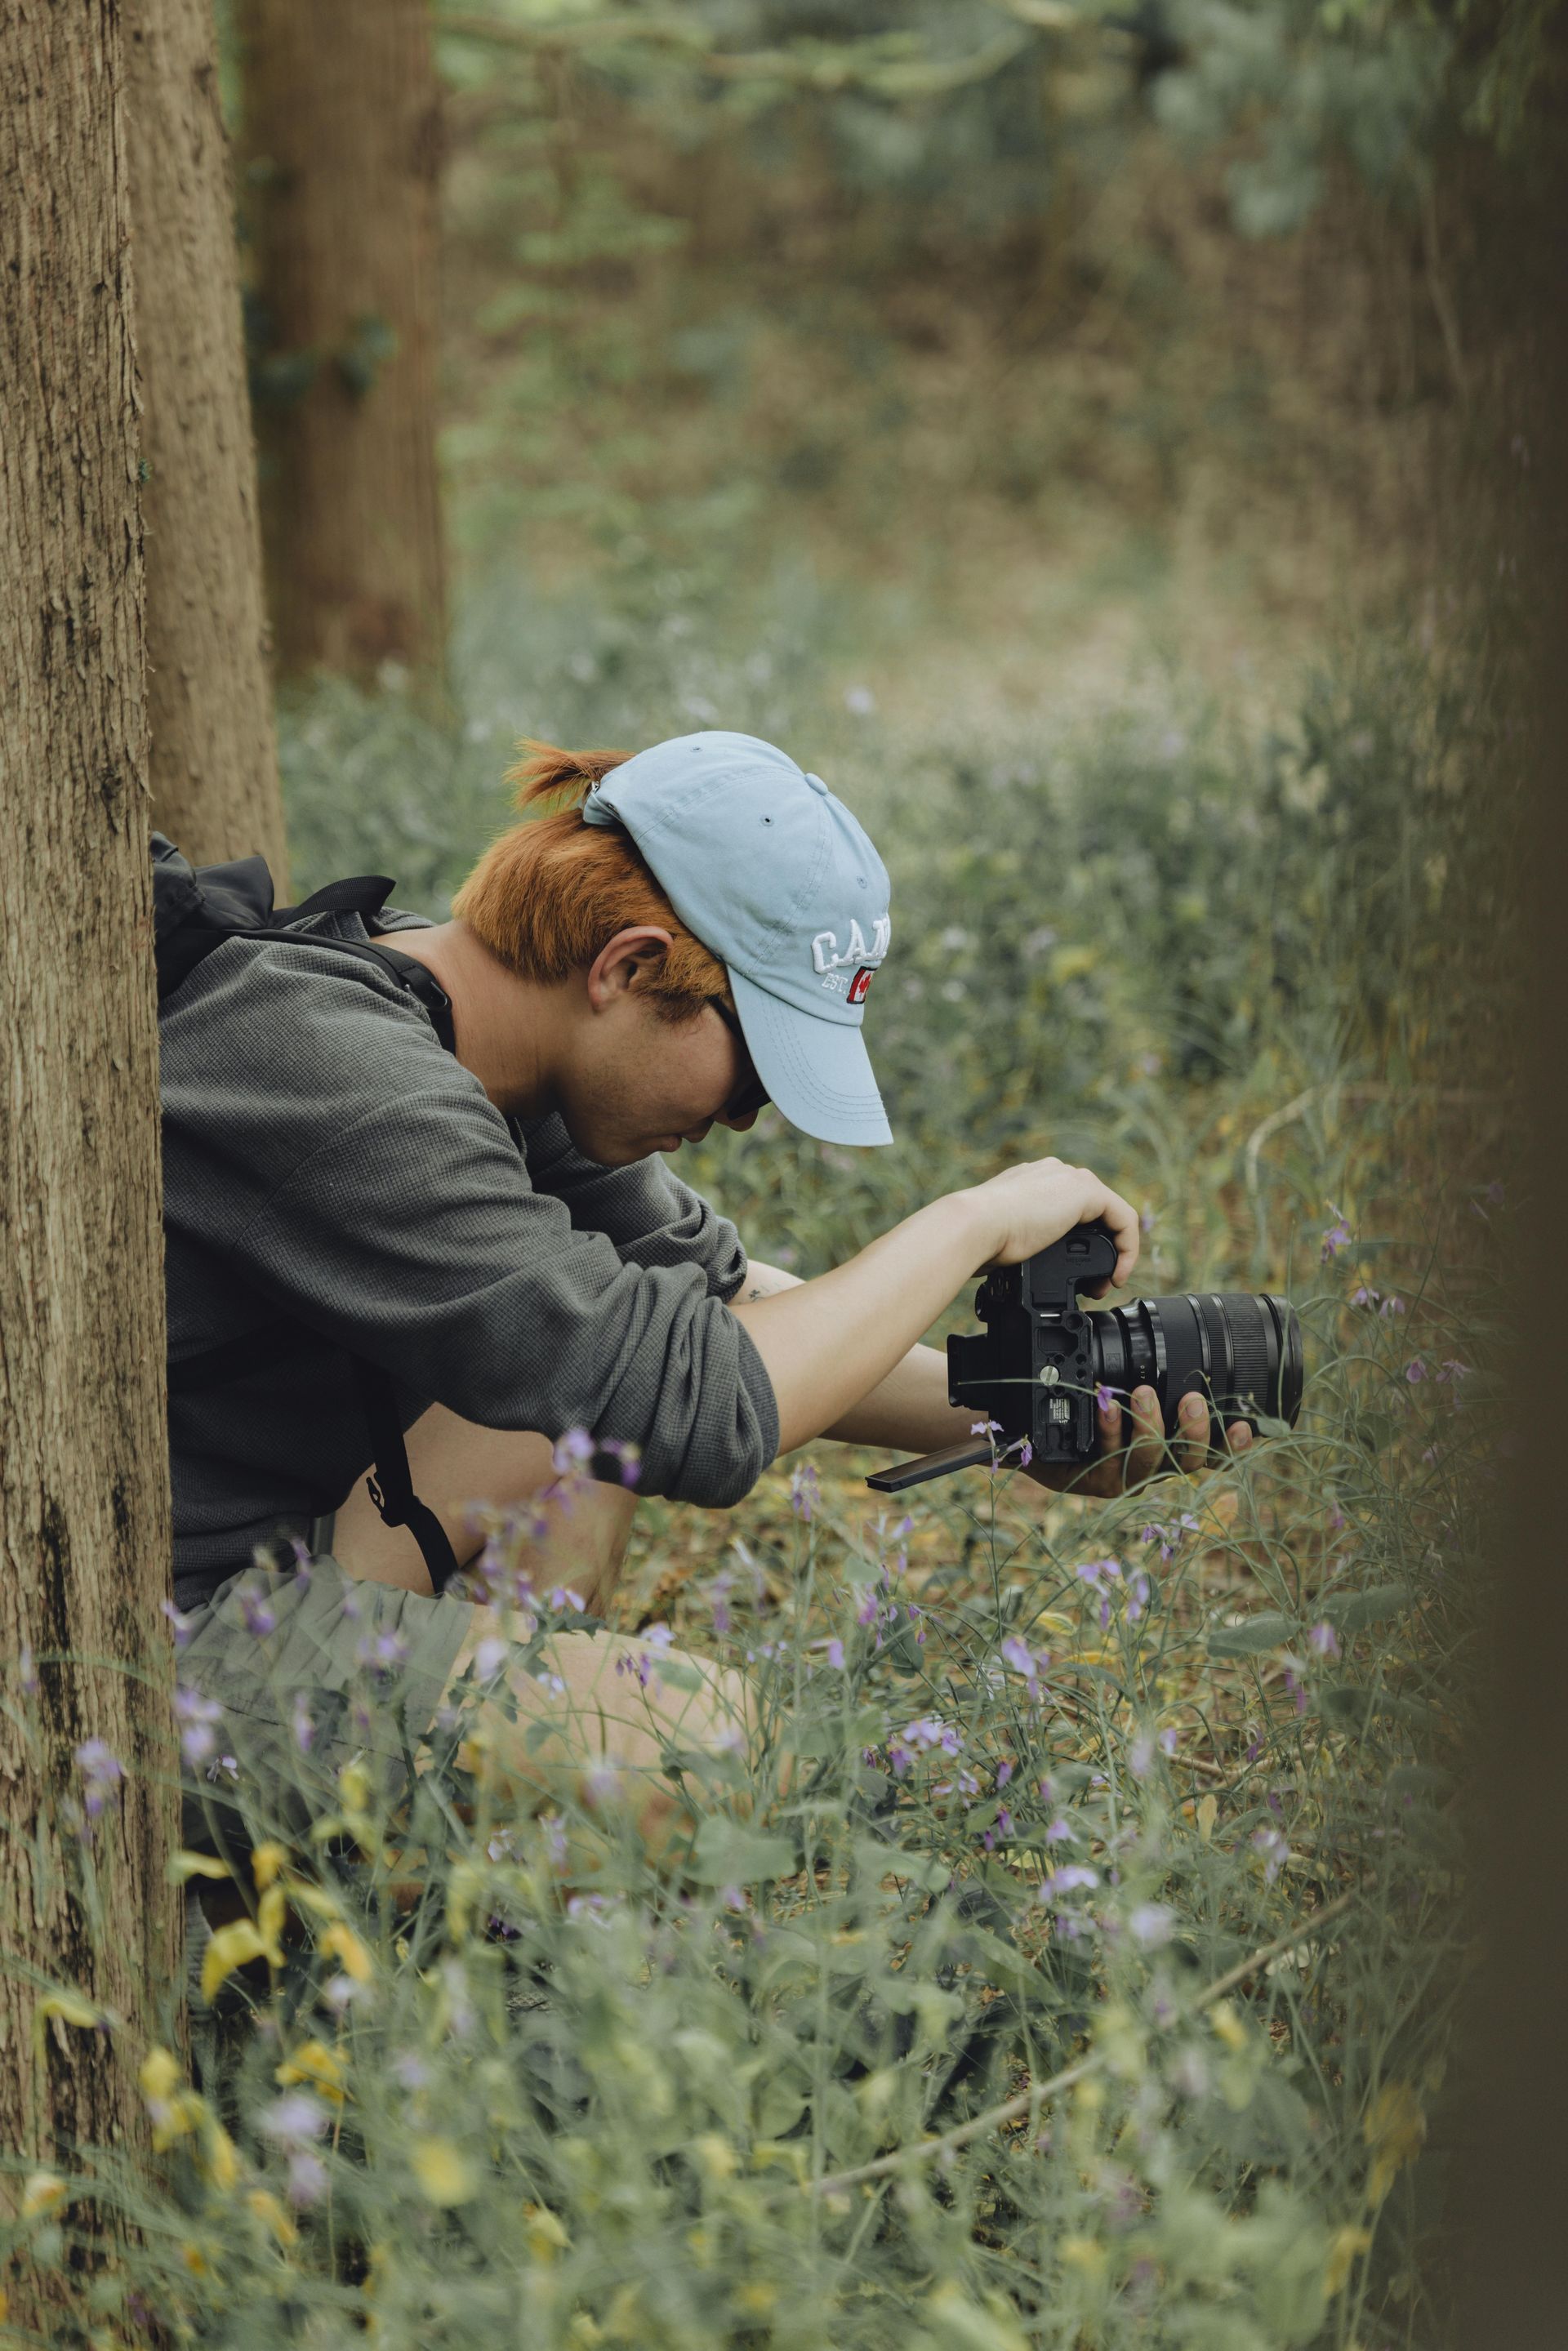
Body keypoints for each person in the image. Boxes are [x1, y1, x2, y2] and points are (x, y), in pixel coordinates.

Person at [163, 730, 1246, 1845]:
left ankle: (453, 1818)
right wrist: (969, 1223)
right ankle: (409, 1850)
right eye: (756, 1071)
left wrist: (1035, 1418)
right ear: (628, 969)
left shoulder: (493, 1051)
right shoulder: (348, 1079)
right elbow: (700, 1400)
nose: (745, 1119)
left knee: (610, 1375)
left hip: (307, 1543)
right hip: (157, 1646)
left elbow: (718, 1304)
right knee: (710, 1750)